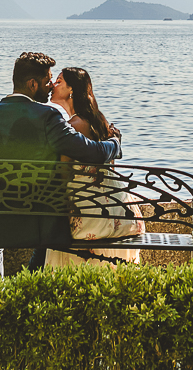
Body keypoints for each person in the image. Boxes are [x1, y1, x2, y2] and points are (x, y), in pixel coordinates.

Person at [0, 52, 121, 273]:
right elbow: (92, 152)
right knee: (48, 232)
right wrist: (114, 143)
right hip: (38, 225)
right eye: (48, 80)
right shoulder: (48, 117)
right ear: (32, 84)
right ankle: (33, 281)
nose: (51, 86)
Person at [44, 67, 144, 268]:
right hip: (114, 210)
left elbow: (64, 174)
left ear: (71, 89)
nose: (54, 84)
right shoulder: (99, 120)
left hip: (89, 214)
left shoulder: (72, 126)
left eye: (59, 81)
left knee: (51, 227)